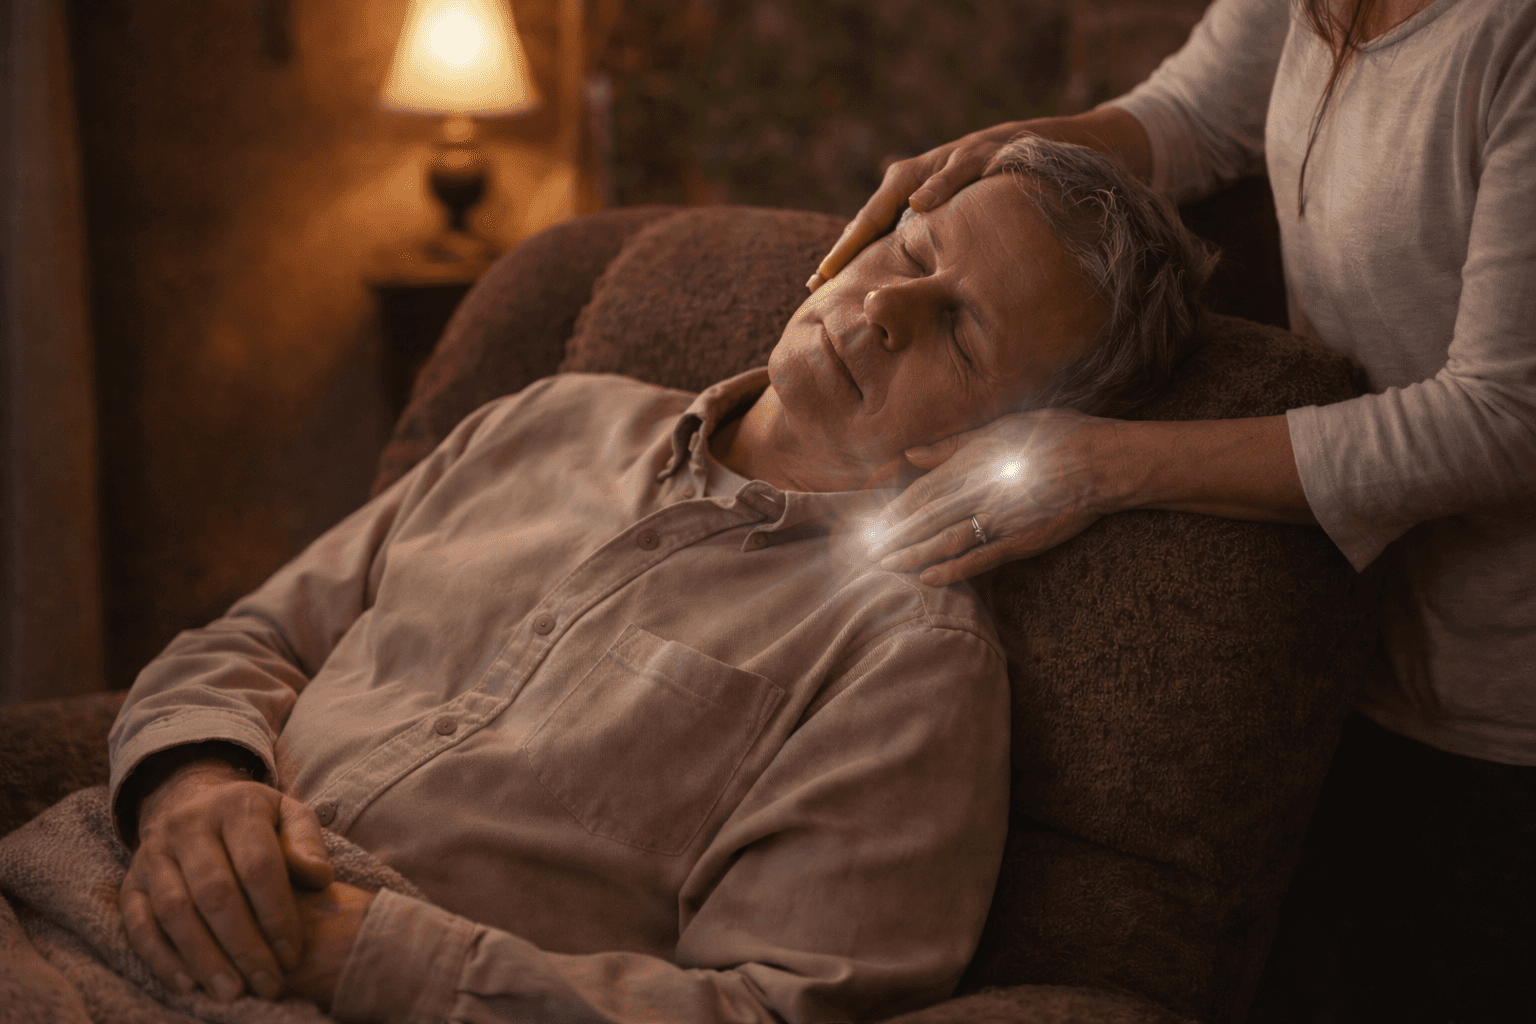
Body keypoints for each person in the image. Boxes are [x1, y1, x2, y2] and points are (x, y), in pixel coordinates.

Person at [107, 138, 1214, 1023]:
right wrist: (194, 787)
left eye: (962, 333)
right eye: (916, 255)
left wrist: (360, 954)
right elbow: (250, 642)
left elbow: (775, 1008)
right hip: (95, 894)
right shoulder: (550, 415)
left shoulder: (911, 662)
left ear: (1009, 437)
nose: (888, 309)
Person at [819, 0, 1536, 1018]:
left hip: (1507, 703)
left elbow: (1510, 416)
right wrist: (1011, 155)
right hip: (1360, 635)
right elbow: (1201, 114)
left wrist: (1102, 465)